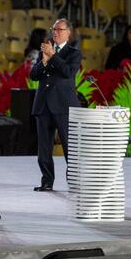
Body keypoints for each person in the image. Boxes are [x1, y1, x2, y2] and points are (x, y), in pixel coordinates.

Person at [29, 19, 81, 192]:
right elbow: (33, 76)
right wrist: (43, 62)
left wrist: (53, 56)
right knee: (44, 148)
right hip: (43, 104)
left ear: (68, 32)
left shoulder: (73, 53)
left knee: (69, 146)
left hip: (64, 105)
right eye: (54, 29)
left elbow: (68, 72)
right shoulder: (45, 49)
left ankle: (73, 181)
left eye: (60, 29)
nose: (55, 32)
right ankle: (47, 181)